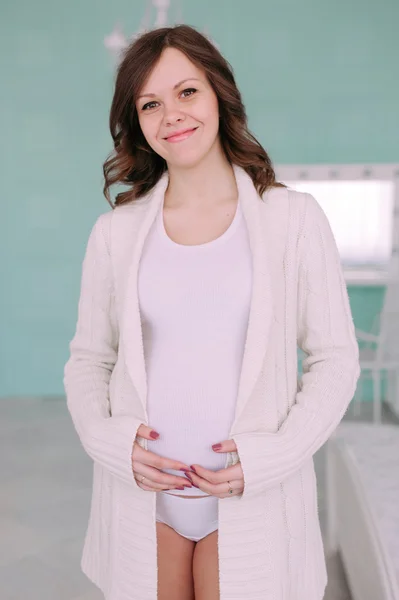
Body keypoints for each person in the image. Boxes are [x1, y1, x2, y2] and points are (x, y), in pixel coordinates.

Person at [64, 24, 360, 600]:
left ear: (219, 93)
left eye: (186, 92)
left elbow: (335, 359)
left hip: (254, 496)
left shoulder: (293, 220)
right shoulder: (115, 234)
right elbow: (88, 360)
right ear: (138, 122)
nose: (171, 114)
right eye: (150, 103)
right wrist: (108, 442)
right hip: (143, 500)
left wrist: (272, 456)